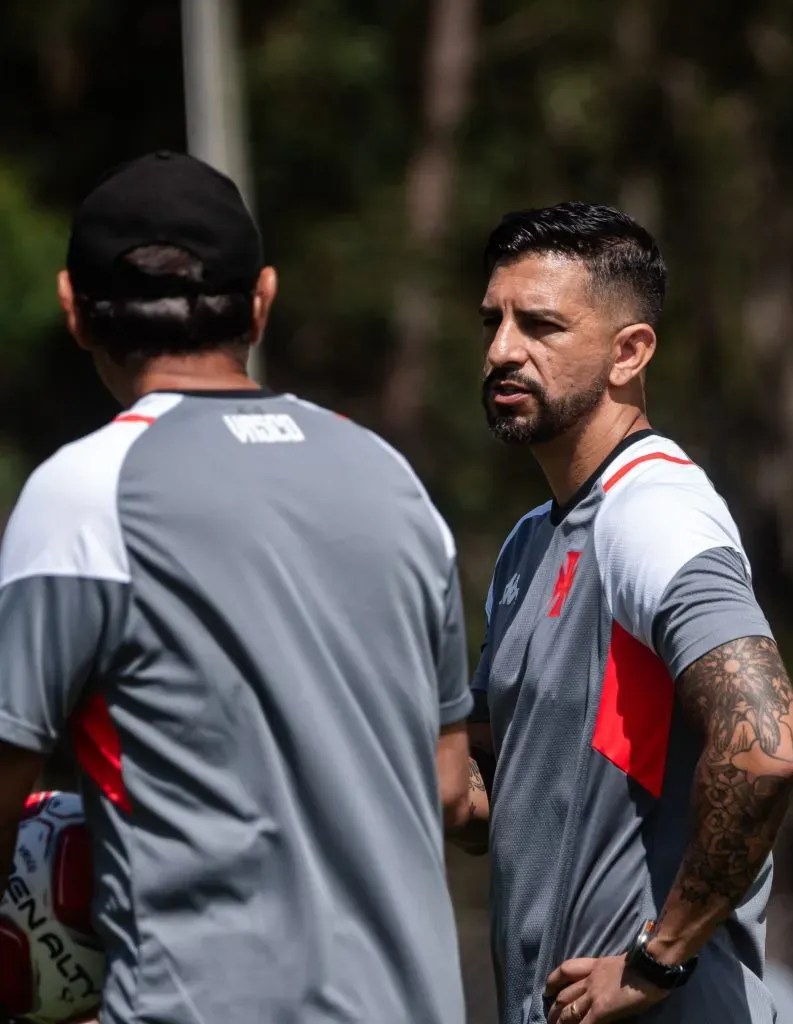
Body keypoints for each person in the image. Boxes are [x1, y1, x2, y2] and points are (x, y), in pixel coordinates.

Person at [0, 151, 473, 1024]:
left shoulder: (82, 495)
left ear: (74, 309)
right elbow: (447, 784)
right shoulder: (393, 481)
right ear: (261, 300)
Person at [453, 202, 793, 1024]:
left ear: (628, 352)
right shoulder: (526, 545)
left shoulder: (652, 511)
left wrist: (660, 957)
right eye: (492, 321)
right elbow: (491, 806)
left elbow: (767, 746)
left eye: (539, 325)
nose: (502, 350)